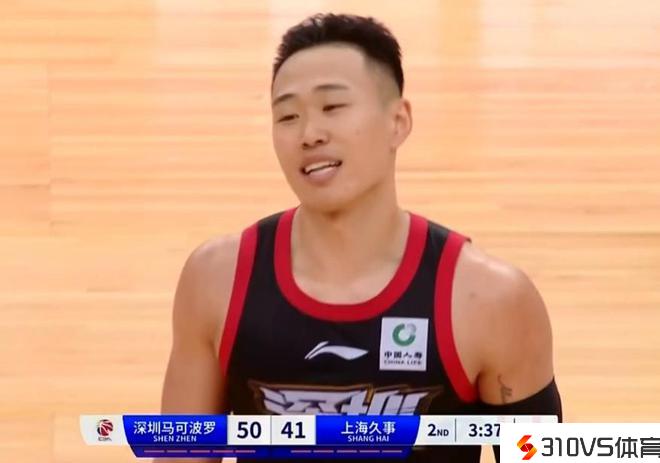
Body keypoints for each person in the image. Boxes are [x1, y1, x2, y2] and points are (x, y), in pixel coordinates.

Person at [158, 13, 562, 463]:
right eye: (288, 116)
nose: (310, 134)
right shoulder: (217, 281)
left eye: (332, 107)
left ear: (398, 121)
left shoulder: (491, 301)